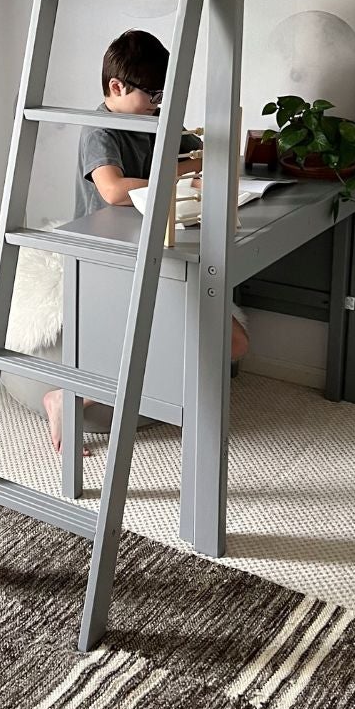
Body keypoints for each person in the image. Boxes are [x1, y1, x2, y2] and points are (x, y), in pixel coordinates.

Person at [46, 29, 249, 454]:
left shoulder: (157, 121)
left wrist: (200, 158)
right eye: (152, 93)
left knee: (235, 342)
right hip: (110, 252)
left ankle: (155, 391)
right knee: (154, 333)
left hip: (164, 242)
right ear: (116, 87)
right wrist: (184, 169)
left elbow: (202, 152)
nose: (159, 102)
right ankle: (68, 396)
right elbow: (114, 191)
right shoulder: (101, 130)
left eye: (164, 92)